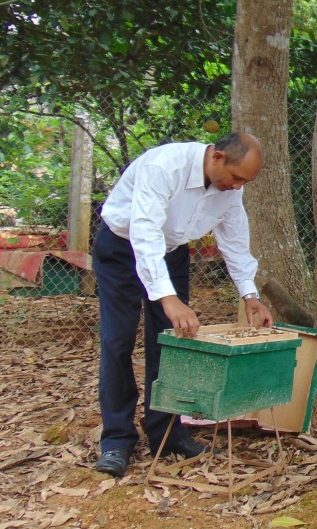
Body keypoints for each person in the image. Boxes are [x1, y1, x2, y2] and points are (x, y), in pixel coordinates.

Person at [93, 133, 274, 478]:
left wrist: (250, 296)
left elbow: (234, 239)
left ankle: (167, 432)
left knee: (173, 343)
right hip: (122, 248)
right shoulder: (164, 166)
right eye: (237, 178)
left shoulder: (230, 188)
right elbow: (144, 232)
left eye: (244, 182)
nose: (238, 187)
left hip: (172, 251)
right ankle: (116, 439)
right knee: (118, 342)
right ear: (217, 158)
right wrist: (167, 297)